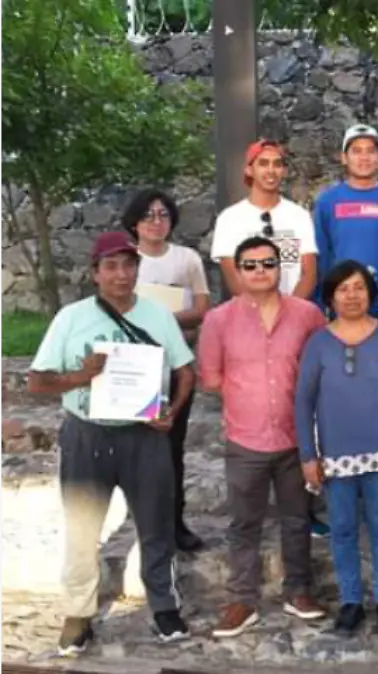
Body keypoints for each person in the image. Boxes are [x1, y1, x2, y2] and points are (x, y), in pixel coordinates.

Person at [28, 231, 196, 654]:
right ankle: (78, 613)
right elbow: (37, 382)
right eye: (111, 266)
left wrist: (172, 411)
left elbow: (185, 371)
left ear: (138, 269)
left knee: (156, 525)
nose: (121, 274)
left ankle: (164, 605)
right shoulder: (71, 319)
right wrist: (81, 377)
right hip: (87, 434)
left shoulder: (158, 316)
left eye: (129, 265)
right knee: (82, 528)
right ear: (95, 273)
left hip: (144, 438)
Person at [198, 236, 329, 638]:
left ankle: (298, 591)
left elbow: (322, 367)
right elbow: (211, 378)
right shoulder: (218, 320)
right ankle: (243, 600)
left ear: (280, 267)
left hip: (295, 438)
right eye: (250, 265)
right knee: (244, 523)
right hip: (246, 439)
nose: (260, 271)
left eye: (268, 263)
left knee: (297, 519)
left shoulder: (308, 315)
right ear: (238, 271)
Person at [295, 260, 378, 637]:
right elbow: (303, 401)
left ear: (370, 293)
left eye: (359, 287)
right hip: (335, 455)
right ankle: (350, 602)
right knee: (343, 528)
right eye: (343, 289)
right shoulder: (318, 342)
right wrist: (308, 455)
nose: (352, 296)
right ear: (330, 297)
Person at [121, 189, 211, 552]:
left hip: (176, 365)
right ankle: (145, 523)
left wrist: (162, 320)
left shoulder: (186, 259)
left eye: (163, 214)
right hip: (135, 366)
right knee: (138, 447)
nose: (156, 222)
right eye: (148, 215)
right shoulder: (126, 261)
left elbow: (201, 308)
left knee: (173, 446)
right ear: (134, 223)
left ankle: (176, 523)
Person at [312, 124, 378, 319]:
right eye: (357, 151)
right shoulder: (327, 202)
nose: (364, 158)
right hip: (341, 304)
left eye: (370, 151)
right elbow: (321, 257)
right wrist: (321, 304)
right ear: (344, 158)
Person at [211, 139, 319, 300]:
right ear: (249, 170)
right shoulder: (229, 218)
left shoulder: (299, 216)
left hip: (293, 308)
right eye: (263, 163)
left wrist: (290, 310)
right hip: (249, 311)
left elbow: (309, 274)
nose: (271, 170)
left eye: (277, 164)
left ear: (284, 171)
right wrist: (261, 309)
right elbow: (233, 277)